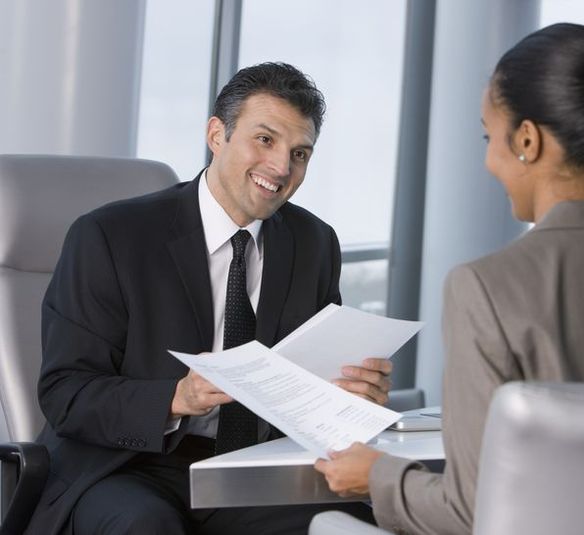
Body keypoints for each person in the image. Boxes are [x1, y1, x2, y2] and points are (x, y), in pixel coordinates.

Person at [315, 23, 584, 534]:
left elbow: (470, 513)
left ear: (528, 141)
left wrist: (377, 476)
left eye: (490, 137)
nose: (488, 157)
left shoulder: (485, 288)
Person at [27, 62, 392, 535]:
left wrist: (354, 396)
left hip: (250, 471)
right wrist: (176, 397)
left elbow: (309, 389)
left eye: (299, 153)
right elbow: (65, 394)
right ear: (216, 135)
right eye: (265, 140)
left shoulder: (314, 243)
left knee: (349, 523)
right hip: (126, 466)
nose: (281, 168)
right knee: (145, 525)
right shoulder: (110, 236)